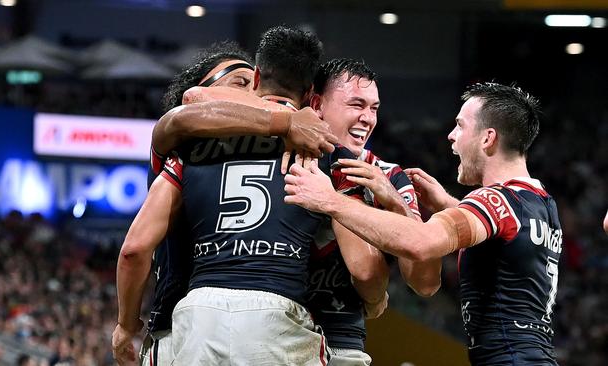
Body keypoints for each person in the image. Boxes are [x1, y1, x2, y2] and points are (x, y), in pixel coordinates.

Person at [284, 82, 562, 365]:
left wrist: (331, 200)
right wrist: (447, 204)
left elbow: (421, 243)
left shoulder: (495, 200)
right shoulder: (540, 203)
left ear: (488, 138)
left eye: (460, 126)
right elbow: (506, 236)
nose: (451, 136)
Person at [114, 26, 342, 366]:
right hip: (189, 324)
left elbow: (134, 249)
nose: (250, 90)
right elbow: (187, 110)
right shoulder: (179, 140)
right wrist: (288, 120)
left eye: (251, 79)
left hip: (190, 327)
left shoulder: (191, 155)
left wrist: (125, 324)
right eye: (237, 83)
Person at [306, 58, 441, 365]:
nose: (367, 118)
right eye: (356, 104)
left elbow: (426, 283)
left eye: (374, 108)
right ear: (317, 103)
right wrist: (377, 295)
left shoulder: (389, 176)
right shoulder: (289, 159)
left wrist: (394, 202)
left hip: (342, 335)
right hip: (284, 325)